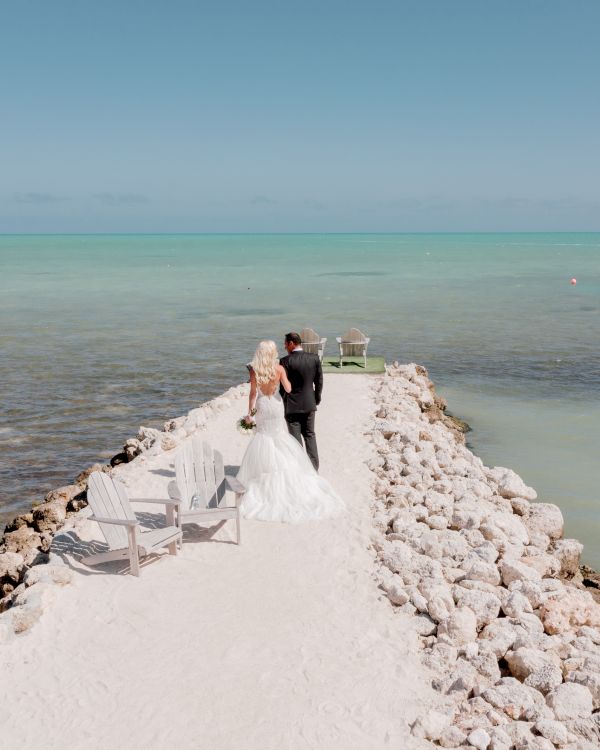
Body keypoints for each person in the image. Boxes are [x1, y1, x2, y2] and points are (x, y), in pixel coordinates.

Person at [236, 340, 344, 523]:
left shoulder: (254, 370)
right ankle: (285, 471)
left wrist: (249, 414)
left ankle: (265, 472)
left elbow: (253, 394)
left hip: (263, 406)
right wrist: (284, 380)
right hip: (276, 405)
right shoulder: (279, 369)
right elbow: (288, 388)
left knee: (263, 438)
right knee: (279, 438)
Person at [279, 332, 322, 472]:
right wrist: (316, 398)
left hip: (292, 405)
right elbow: (319, 382)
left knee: (295, 440)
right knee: (310, 435)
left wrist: (284, 400)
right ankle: (314, 468)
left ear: (291, 343)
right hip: (309, 403)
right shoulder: (314, 358)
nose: (285, 346)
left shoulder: (285, 361)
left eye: (286, 344)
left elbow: (282, 388)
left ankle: (300, 470)